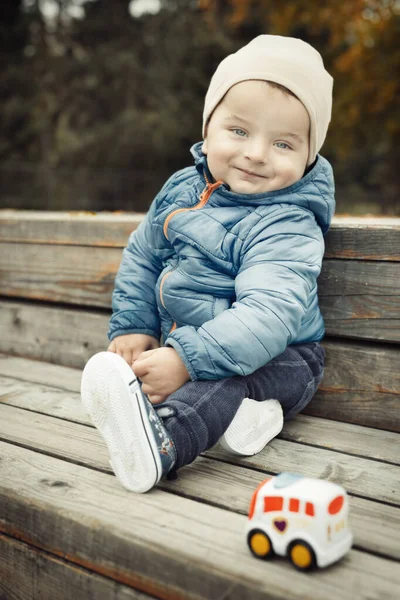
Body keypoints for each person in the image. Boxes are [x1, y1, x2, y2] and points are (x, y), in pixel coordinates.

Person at [81, 34, 334, 493]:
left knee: (225, 382)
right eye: (239, 131)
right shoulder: (181, 190)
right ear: (207, 127)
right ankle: (250, 420)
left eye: (283, 143)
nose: (256, 153)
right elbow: (143, 255)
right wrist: (134, 327)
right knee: (211, 380)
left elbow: (268, 316)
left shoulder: (287, 223)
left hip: (287, 358)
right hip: (206, 348)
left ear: (309, 155)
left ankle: (164, 445)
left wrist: (185, 358)